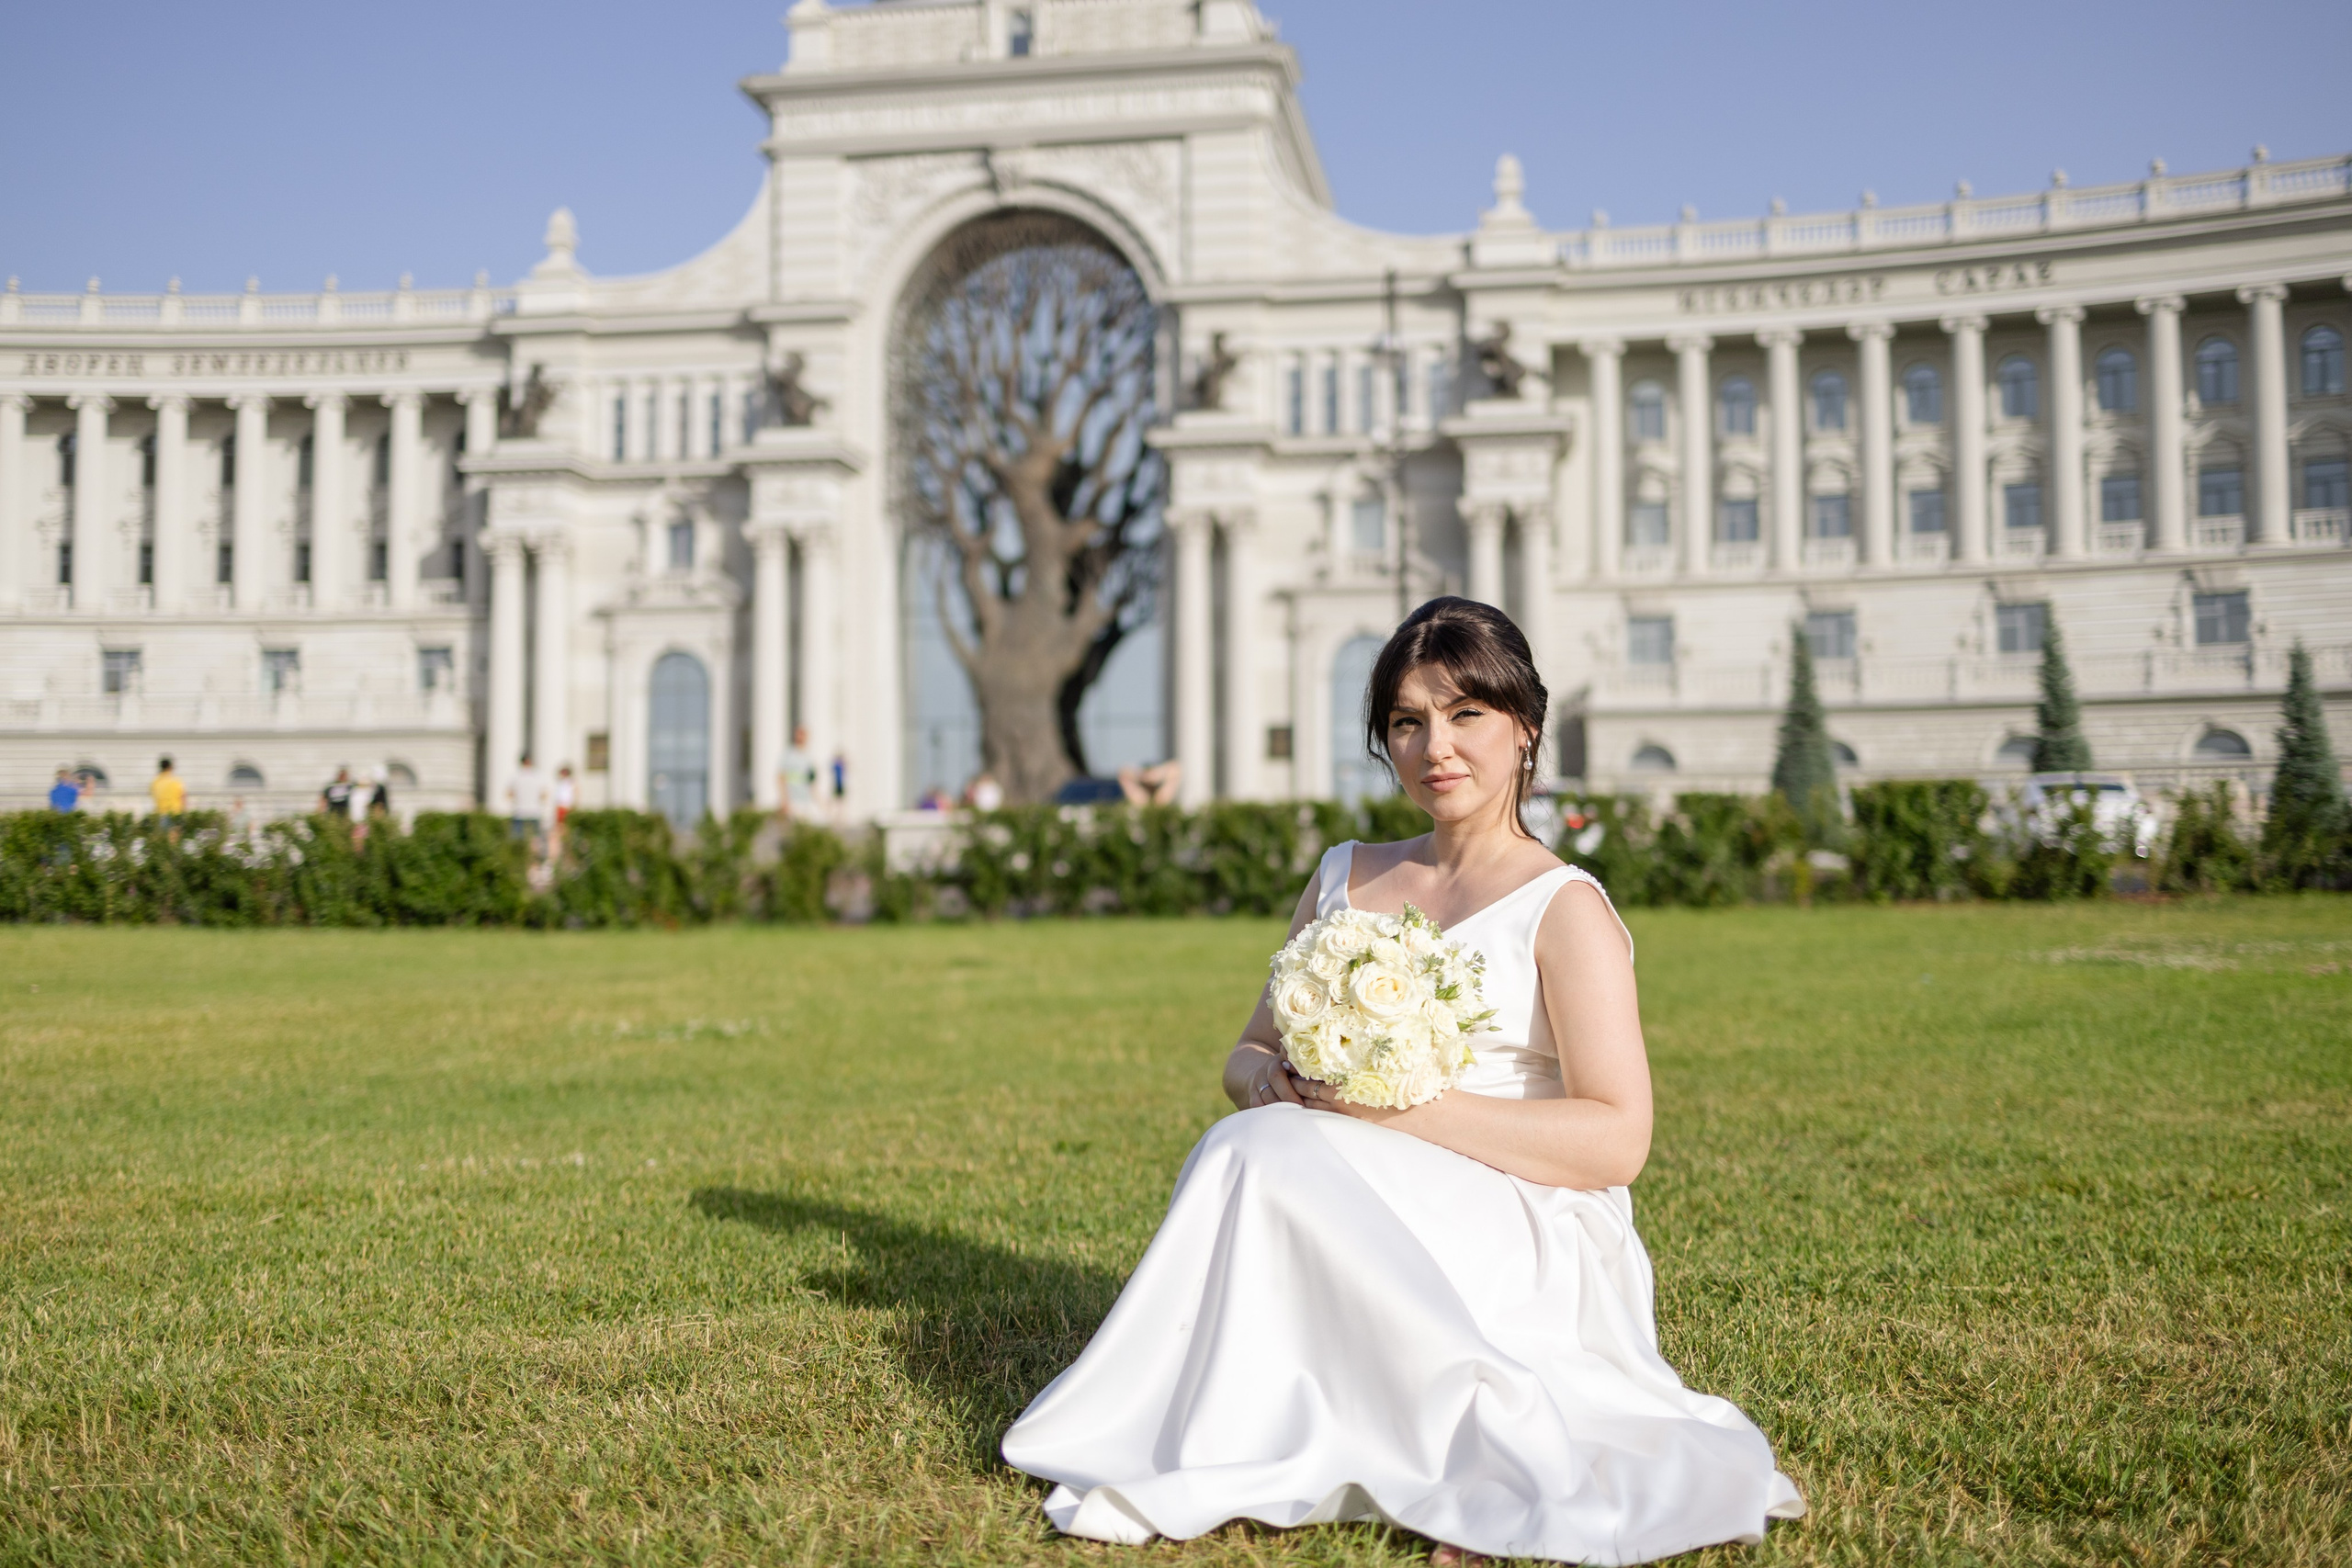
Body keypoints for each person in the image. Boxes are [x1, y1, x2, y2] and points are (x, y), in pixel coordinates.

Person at [1002, 598, 1804, 1564]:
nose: (1437, 747)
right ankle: (1227, 1428)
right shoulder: (1345, 876)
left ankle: (1436, 1446)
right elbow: (1243, 1055)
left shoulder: (1564, 907)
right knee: (1248, 1141)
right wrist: (1277, 1085)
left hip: (1521, 1206)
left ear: (1525, 730)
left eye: (1466, 714)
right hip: (1333, 1160)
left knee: (1263, 1160)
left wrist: (1402, 1105)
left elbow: (1615, 1139)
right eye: (1407, 721)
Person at [776, 727, 819, 822]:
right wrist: (784, 800)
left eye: (803, 735)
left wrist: (819, 801)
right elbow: (781, 777)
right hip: (793, 801)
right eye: (799, 734)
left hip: (806, 800)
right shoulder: (789, 754)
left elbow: (812, 781)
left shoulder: (809, 756)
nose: (801, 737)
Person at [506, 755, 548, 843]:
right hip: (534, 810)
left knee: (518, 839)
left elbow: (510, 793)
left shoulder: (516, 775)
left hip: (520, 810)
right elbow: (544, 794)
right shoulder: (537, 775)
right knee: (536, 838)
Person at [149, 757, 187, 842]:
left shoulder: (155, 782)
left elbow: (153, 795)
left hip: (161, 813)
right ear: (170, 767)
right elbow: (183, 796)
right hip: (175, 812)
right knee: (174, 839)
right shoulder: (176, 780)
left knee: (163, 840)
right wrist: (184, 811)